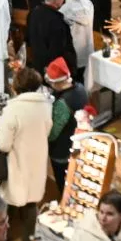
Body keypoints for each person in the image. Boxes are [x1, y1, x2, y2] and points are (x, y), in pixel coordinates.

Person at [0, 67, 53, 241]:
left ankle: (5, 240)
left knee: (8, 202)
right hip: (37, 160)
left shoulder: (13, 109)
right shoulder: (45, 106)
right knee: (30, 203)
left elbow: (2, 144)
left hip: (16, 164)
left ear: (17, 85)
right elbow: (48, 130)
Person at [45, 57, 87, 194]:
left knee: (64, 185)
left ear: (57, 83)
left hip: (62, 151)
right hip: (80, 144)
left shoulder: (62, 103)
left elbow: (53, 134)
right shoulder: (80, 88)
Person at [26, 0, 77, 76]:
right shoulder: (57, 21)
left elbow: (28, 38)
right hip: (53, 68)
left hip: (37, 62)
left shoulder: (33, 13)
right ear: (57, 0)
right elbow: (58, 49)